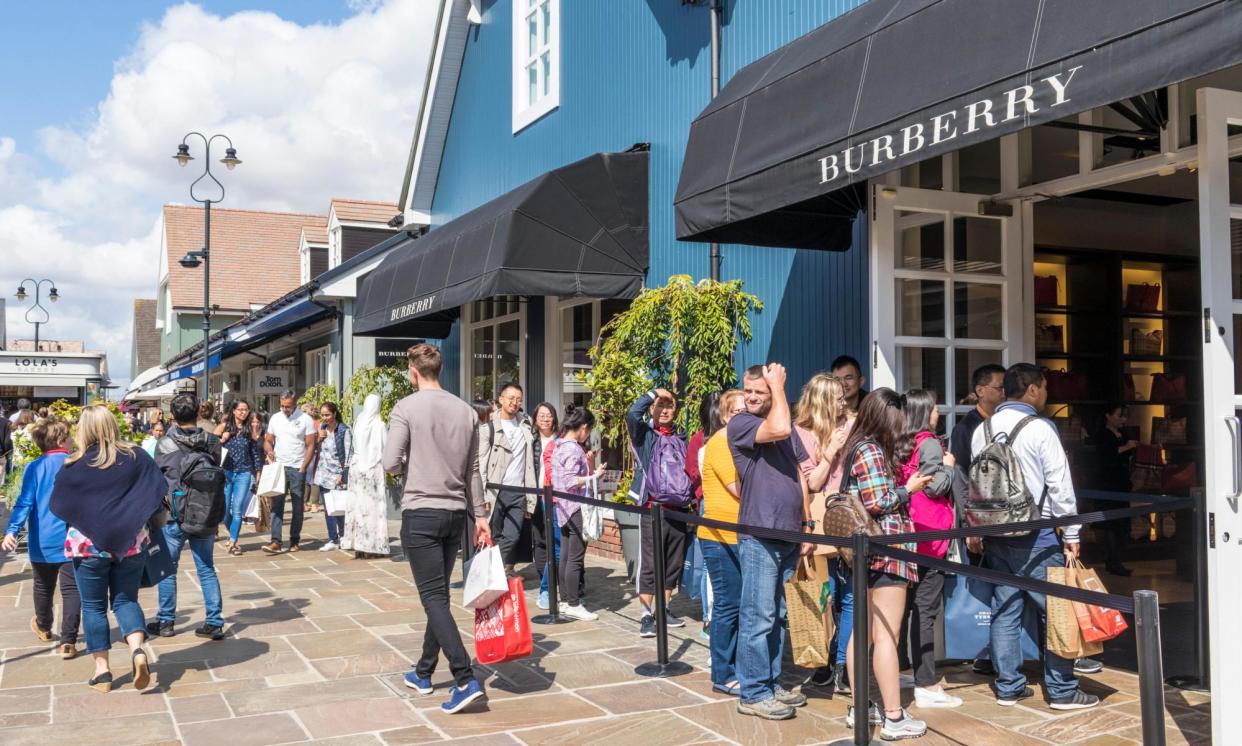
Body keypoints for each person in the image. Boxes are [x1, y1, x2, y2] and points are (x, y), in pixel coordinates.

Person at [969, 363, 1100, 711]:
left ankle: (1009, 686)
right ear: (1030, 390)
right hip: (1037, 534)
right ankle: (1062, 690)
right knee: (1058, 610)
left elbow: (976, 486)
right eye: (1043, 388)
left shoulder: (983, 428)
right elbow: (1060, 485)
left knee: (1005, 610)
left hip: (996, 531)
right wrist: (1072, 532)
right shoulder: (1040, 429)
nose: (1046, 394)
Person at [385, 344, 490, 714]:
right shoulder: (465, 411)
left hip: (421, 512)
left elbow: (390, 462)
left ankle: (464, 678)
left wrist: (412, 462)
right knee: (438, 596)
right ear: (440, 368)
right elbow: (473, 471)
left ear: (413, 370)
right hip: (455, 514)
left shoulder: (406, 408)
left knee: (433, 598)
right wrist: (480, 516)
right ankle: (424, 672)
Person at [49, 405, 167, 693]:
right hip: (131, 543)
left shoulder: (72, 465)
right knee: (126, 600)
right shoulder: (136, 456)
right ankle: (137, 651)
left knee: (93, 606)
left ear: (83, 430)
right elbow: (158, 491)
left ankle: (102, 671)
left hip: (88, 547)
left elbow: (60, 506)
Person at [840, 389, 932, 739]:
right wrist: (909, 488)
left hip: (865, 553)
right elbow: (878, 500)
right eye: (897, 419)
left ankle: (859, 707)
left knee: (862, 635)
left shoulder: (855, 448)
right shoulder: (872, 450)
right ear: (885, 418)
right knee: (885, 637)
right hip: (887, 550)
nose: (901, 427)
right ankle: (893, 717)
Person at [728, 364, 812, 720]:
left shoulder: (783, 422)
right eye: (748, 390)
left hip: (789, 532)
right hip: (760, 534)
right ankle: (753, 691)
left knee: (777, 615)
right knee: (757, 615)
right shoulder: (742, 424)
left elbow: (801, 471)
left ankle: (771, 681)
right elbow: (777, 427)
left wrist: (807, 523)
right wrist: (778, 385)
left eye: (759, 391)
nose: (751, 396)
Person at [895, 389, 963, 709]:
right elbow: (935, 486)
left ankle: (901, 667)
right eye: (935, 408)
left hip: (908, 533)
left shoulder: (898, 441)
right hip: (932, 534)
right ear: (925, 412)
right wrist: (949, 465)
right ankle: (927, 681)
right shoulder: (930, 442)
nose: (938, 412)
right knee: (926, 608)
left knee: (906, 604)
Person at [792, 373, 853, 691]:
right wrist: (831, 450)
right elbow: (812, 482)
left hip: (849, 520)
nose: (845, 403)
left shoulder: (851, 425)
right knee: (821, 596)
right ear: (824, 402)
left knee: (852, 597)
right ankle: (822, 661)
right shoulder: (800, 432)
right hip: (817, 523)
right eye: (839, 399)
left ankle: (843, 663)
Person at [2, 418, 80, 658]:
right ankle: (68, 641)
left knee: (43, 586)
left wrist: (12, 531)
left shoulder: (34, 467)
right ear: (60, 440)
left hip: (42, 539)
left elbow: (24, 502)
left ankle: (44, 626)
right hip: (71, 537)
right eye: (68, 436)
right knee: (71, 589)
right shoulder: (74, 464)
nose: (72, 440)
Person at [151, 393, 226, 641]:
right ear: (197, 414)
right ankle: (214, 622)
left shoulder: (164, 444)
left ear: (172, 415)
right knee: (206, 567)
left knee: (168, 569)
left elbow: (156, 479)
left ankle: (166, 622)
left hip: (173, 512)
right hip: (204, 511)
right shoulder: (212, 441)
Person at [949, 362, 1006, 677]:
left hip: (1004, 521)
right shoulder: (966, 427)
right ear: (981, 390)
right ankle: (980, 650)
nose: (1003, 392)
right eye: (999, 386)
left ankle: (1001, 651)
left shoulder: (1003, 422)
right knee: (982, 588)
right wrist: (971, 525)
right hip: (978, 521)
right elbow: (961, 478)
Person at [626, 388, 693, 638]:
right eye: (660, 405)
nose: (665, 410)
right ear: (653, 408)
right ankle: (645, 614)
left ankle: (663, 610)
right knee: (650, 565)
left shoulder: (682, 437)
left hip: (678, 509)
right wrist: (652, 393)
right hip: (651, 508)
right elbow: (632, 414)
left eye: (670, 406)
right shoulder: (645, 435)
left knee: (672, 564)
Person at [698, 388, 746, 696]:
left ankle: (737, 666)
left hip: (740, 535)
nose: (745, 416)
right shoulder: (721, 443)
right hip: (720, 537)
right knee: (728, 604)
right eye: (738, 411)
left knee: (740, 604)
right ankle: (722, 673)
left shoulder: (741, 443)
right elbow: (740, 489)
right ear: (725, 415)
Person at [551, 407, 606, 621]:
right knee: (575, 558)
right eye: (589, 430)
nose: (588, 435)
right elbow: (571, 481)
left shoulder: (559, 445)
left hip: (562, 507)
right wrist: (594, 476)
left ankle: (565, 600)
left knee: (565, 556)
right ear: (583, 428)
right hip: (575, 507)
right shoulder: (573, 449)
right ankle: (573, 603)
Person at [480, 382, 537, 575]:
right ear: (501, 399)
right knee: (493, 536)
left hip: (519, 491)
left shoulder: (526, 425)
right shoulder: (488, 429)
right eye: (510, 398)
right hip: (496, 491)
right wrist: (482, 496)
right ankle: (494, 575)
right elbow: (481, 466)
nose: (514, 402)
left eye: (518, 399)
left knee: (513, 536)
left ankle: (491, 571)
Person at [262, 390, 317, 554]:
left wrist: (303, 466)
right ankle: (276, 541)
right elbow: (268, 440)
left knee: (297, 506)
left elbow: (311, 445)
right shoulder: (275, 418)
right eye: (282, 406)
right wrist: (269, 451)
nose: (285, 409)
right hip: (279, 466)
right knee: (277, 505)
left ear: (295, 404)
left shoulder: (305, 419)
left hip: (297, 466)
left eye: (288, 406)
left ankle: (294, 540)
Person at [344, 394, 390, 558]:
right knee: (374, 509)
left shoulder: (358, 422)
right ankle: (374, 546)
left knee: (358, 508)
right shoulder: (380, 425)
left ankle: (358, 545)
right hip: (374, 470)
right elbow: (386, 448)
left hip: (357, 469)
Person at [215, 399, 263, 555]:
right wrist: (222, 439)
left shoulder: (250, 430)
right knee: (224, 512)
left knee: (237, 511)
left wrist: (258, 472)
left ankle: (233, 540)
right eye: (240, 409)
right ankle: (232, 534)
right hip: (226, 473)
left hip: (243, 473)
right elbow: (210, 445)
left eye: (246, 410)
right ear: (233, 411)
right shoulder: (224, 427)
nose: (243, 412)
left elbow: (255, 452)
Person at [1094, 403, 1136, 576]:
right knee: (1110, 523)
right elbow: (1106, 454)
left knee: (1120, 523)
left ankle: (1116, 560)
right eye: (1119, 415)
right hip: (1107, 483)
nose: (1123, 420)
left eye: (1124, 416)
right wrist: (1128, 447)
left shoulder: (1124, 434)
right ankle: (1114, 561)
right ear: (1108, 416)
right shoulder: (1102, 434)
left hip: (1121, 483)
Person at [529, 402, 561, 610]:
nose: (545, 419)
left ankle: (547, 587)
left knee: (556, 543)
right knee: (540, 540)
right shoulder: (531, 442)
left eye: (549, 415)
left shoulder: (561, 441)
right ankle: (545, 581)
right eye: (541, 416)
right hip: (536, 495)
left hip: (555, 497)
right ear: (535, 419)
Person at [313, 402, 352, 552]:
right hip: (323, 474)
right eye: (322, 415)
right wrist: (318, 439)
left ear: (334, 414)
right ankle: (333, 539)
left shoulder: (344, 430)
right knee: (328, 509)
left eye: (327, 415)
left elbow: (349, 453)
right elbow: (318, 450)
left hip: (337, 474)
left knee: (339, 508)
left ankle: (343, 536)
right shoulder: (321, 429)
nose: (325, 418)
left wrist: (343, 473)